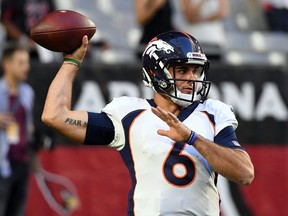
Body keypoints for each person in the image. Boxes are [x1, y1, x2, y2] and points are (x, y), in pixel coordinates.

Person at [41, 30, 255, 215]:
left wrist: (192, 138)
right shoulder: (130, 114)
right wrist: (71, 62)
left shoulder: (213, 112)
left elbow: (245, 173)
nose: (192, 78)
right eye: (182, 70)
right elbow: (55, 116)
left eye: (195, 70)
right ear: (156, 72)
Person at [0, 45, 35, 216]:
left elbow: (27, 124)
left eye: (27, 62)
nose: (26, 67)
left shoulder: (28, 92)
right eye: (21, 63)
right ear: (7, 65)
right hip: (2, 163)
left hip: (21, 162)